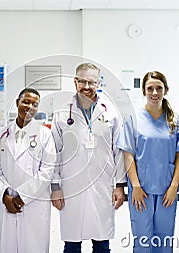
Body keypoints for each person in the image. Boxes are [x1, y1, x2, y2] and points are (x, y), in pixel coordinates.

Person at [51, 63, 126, 253]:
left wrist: (119, 186)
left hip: (103, 184)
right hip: (71, 185)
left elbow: (119, 151)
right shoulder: (61, 112)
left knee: (101, 242)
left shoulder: (110, 111)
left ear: (99, 83)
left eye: (91, 82)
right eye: (82, 81)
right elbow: (54, 151)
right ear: (75, 82)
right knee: (72, 243)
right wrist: (55, 186)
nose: (86, 86)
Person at [116, 71, 179, 252]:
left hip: (166, 189)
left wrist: (173, 187)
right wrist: (136, 186)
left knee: (164, 239)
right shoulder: (133, 118)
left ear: (165, 90)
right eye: (150, 88)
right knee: (142, 240)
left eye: (159, 88)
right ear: (144, 91)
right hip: (141, 190)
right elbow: (128, 154)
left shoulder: (174, 120)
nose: (154, 93)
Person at [0, 88, 56, 253]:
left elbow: (47, 170)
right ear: (17, 103)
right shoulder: (2, 135)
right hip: (7, 202)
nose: (30, 107)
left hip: (34, 203)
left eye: (35, 104)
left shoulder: (45, 134)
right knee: (9, 247)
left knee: (35, 247)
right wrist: (5, 195)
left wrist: (22, 197)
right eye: (26, 102)